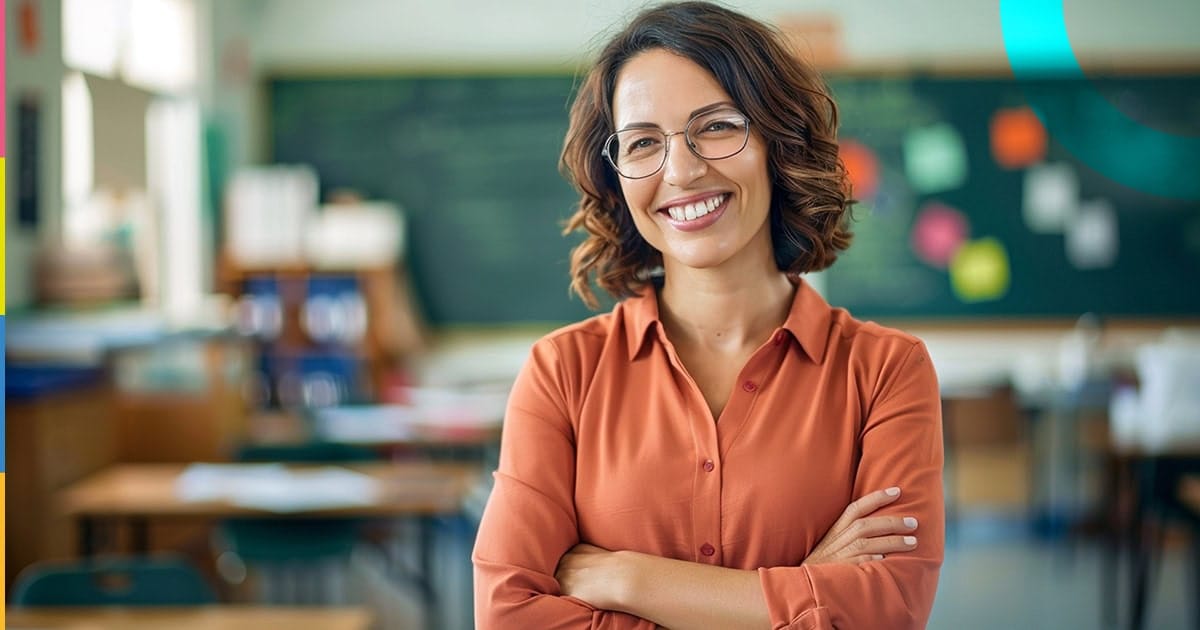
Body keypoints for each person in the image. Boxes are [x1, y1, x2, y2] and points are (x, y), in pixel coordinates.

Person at [472, 2, 943, 628]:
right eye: (643, 142)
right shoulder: (562, 372)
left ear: (779, 141)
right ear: (616, 178)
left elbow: (888, 611)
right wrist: (809, 589)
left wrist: (626, 577)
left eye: (716, 127)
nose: (683, 170)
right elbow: (509, 616)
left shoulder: (885, 370)